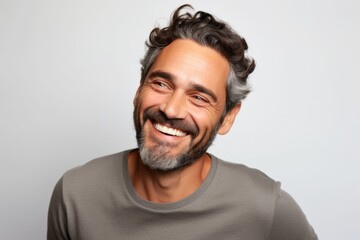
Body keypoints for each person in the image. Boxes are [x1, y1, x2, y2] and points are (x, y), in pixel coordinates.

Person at [48, 4, 317, 240]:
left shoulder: (265, 207)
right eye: (162, 83)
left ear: (228, 118)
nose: (172, 109)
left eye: (199, 97)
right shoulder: (75, 195)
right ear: (138, 90)